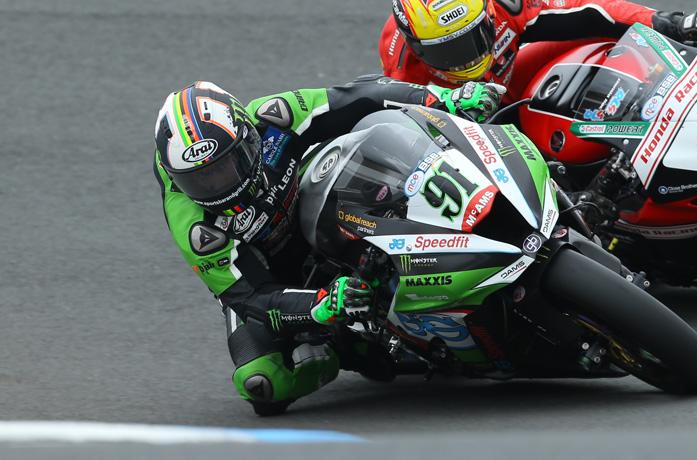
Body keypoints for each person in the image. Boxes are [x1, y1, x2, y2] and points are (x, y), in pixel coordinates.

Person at [153, 76, 503, 415]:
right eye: (200, 180)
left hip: (321, 203)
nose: (218, 185)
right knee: (261, 382)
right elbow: (248, 298)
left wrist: (441, 97)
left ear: (248, 138)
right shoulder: (195, 228)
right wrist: (318, 306)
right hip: (275, 274)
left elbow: (356, 96)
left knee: (381, 140)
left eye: (226, 167)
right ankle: (346, 345)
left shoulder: (273, 117)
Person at [379, 0, 697, 101]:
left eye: (475, 37)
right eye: (449, 50)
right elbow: (406, 117)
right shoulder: (401, 59)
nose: (468, 56)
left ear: (486, 15)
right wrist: (450, 104)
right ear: (417, 46)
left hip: (513, 82)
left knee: (602, 39)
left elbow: (587, 6)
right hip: (466, 122)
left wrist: (668, 22)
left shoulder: (504, 1)